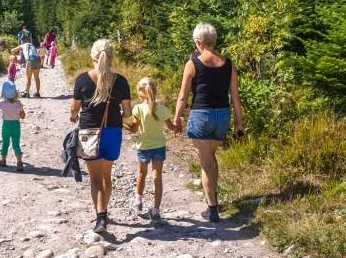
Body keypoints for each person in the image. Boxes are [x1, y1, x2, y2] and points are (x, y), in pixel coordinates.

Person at [172, 23, 245, 223]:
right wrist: (239, 125)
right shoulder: (228, 63)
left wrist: (176, 119)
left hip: (201, 115)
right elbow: (235, 98)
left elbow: (182, 95)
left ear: (198, 42)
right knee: (211, 158)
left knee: (206, 163)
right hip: (222, 115)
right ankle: (214, 199)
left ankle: (212, 210)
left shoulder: (193, 63)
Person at [69, 39, 132, 233]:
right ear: (112, 57)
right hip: (112, 131)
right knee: (106, 175)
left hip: (89, 132)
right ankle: (105, 211)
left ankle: (100, 217)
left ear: (92, 56)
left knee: (95, 178)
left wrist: (73, 116)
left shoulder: (82, 79)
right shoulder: (121, 81)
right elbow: (128, 113)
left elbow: (74, 108)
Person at [126, 77, 175, 220]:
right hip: (159, 146)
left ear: (140, 92)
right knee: (157, 177)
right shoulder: (162, 109)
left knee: (142, 172)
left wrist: (121, 122)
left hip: (143, 146)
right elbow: (171, 127)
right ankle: (156, 209)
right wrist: (177, 126)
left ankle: (138, 200)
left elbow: (134, 129)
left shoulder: (138, 109)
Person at [0, 80, 26, 171]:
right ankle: (19, 162)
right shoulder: (18, 104)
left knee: (5, 143)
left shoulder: (2, 104)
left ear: (4, 94)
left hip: (6, 125)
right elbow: (23, 116)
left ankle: (3, 160)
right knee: (16, 144)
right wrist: (19, 113)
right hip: (16, 125)